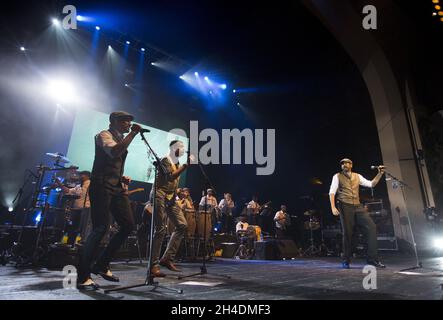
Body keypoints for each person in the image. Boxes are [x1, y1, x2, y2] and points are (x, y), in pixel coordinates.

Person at [77, 111, 141, 290]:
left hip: (116, 186)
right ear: (114, 121)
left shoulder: (120, 137)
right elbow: (114, 152)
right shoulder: (103, 135)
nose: (129, 123)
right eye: (125, 120)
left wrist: (121, 177)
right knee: (100, 228)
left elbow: (116, 161)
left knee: (128, 225)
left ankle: (102, 264)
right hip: (101, 184)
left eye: (130, 121)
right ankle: (82, 276)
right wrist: (133, 134)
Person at [329, 158, 386, 269]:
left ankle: (372, 259)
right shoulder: (337, 176)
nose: (344, 165)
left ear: (351, 165)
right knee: (348, 233)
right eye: (342, 163)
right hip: (344, 205)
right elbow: (332, 192)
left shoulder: (357, 176)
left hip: (358, 206)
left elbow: (371, 184)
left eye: (346, 163)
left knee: (372, 227)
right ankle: (346, 259)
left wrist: (380, 173)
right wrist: (333, 207)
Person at [150, 140, 193, 277]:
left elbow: (173, 183)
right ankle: (153, 265)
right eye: (181, 147)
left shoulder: (178, 164)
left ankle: (167, 258)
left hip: (170, 197)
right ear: (173, 148)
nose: (183, 149)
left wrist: (177, 193)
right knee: (160, 229)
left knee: (182, 225)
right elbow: (170, 177)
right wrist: (186, 165)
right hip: (159, 194)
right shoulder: (165, 160)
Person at [56, 171, 91, 246]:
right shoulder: (78, 186)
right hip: (76, 210)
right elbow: (68, 191)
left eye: (82, 175)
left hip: (86, 210)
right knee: (72, 228)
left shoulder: (91, 184)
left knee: (83, 229)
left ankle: (81, 245)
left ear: (87, 176)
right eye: (80, 175)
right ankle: (70, 244)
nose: (80, 176)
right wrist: (60, 184)